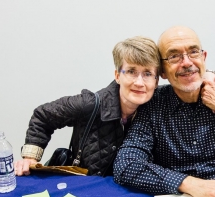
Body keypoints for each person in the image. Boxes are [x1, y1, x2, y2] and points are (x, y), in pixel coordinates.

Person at [113, 26, 215, 197]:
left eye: (193, 52)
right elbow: (126, 165)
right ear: (162, 72)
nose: (187, 63)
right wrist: (188, 183)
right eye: (174, 56)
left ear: (203, 58)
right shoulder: (153, 105)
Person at [14, 36, 160, 176]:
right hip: (85, 185)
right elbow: (43, 115)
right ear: (117, 76)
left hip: (126, 190)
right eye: (131, 72)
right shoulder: (89, 103)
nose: (139, 82)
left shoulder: (157, 108)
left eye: (147, 73)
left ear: (156, 81)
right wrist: (30, 158)